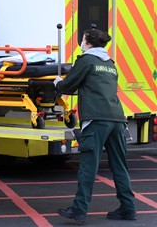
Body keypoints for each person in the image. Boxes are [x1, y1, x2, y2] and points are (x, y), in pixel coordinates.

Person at [54, 28, 136, 224]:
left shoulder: (86, 60)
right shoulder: (110, 64)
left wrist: (58, 83)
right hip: (116, 118)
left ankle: (79, 210)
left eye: (82, 39)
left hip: (96, 120)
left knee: (88, 167)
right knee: (120, 166)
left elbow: (68, 86)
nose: (81, 42)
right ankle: (128, 208)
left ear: (88, 43)